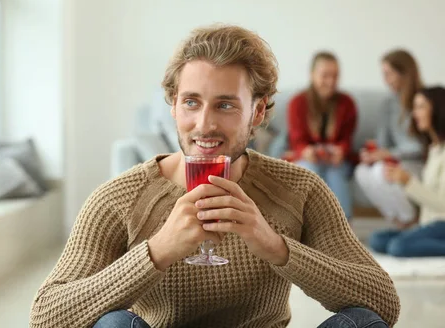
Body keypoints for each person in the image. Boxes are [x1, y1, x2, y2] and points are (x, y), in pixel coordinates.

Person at [29, 25, 399, 328]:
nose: (204, 124)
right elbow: (46, 316)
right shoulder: (118, 199)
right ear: (173, 105)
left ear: (256, 112)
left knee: (363, 324)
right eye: (191, 102)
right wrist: (158, 252)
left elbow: (383, 302)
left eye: (225, 105)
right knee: (113, 326)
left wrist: (276, 246)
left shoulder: (300, 190)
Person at [368, 86, 445, 257]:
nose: (414, 113)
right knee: (377, 239)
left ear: (438, 109)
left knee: (398, 247)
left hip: (442, 225)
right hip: (429, 225)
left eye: (421, 107)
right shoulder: (433, 149)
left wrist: (408, 181)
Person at [354, 50, 424, 227]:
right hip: (394, 159)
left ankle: (411, 220)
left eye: (388, 74)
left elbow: (421, 147)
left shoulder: (422, 101)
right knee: (361, 171)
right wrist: (373, 153)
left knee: (381, 172)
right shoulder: (388, 103)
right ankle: (397, 220)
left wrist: (387, 154)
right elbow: (383, 142)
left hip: (417, 162)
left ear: (404, 72)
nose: (385, 80)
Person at [287, 52, 357, 220]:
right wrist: (307, 151)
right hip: (307, 158)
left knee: (335, 173)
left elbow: (347, 140)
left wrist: (340, 151)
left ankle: (345, 225)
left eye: (335, 76)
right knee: (311, 171)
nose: (331, 82)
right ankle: (312, 227)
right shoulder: (298, 103)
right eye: (325, 76)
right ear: (312, 75)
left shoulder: (347, 103)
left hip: (336, 161)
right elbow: (297, 140)